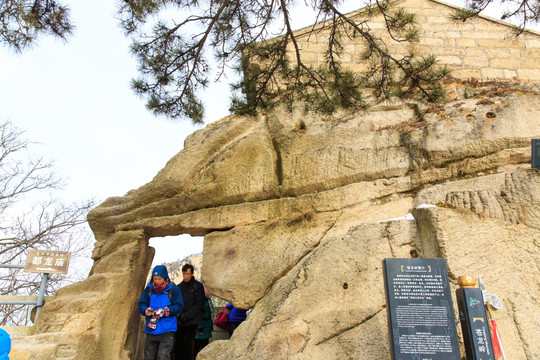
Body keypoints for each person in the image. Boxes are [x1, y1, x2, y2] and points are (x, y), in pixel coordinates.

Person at [138, 265, 183, 360]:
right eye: (155, 279)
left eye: (159, 279)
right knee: (148, 357)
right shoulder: (149, 289)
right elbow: (141, 304)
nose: (157, 281)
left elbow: (179, 306)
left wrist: (166, 310)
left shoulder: (173, 289)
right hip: (151, 329)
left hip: (167, 329)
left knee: (163, 357)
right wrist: (145, 310)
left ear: (165, 278)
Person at [175, 264, 205, 360]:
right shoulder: (179, 287)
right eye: (184, 274)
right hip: (180, 320)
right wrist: (179, 315)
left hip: (192, 320)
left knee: (188, 345)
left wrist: (187, 316)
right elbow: (176, 303)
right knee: (178, 345)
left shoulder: (198, 286)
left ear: (192, 274)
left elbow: (199, 304)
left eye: (188, 274)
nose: (186, 276)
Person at [193, 285, 215, 357]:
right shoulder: (201, 300)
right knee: (198, 347)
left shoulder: (207, 300)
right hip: (201, 328)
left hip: (206, 326)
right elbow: (198, 314)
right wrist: (200, 328)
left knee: (204, 346)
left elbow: (209, 314)